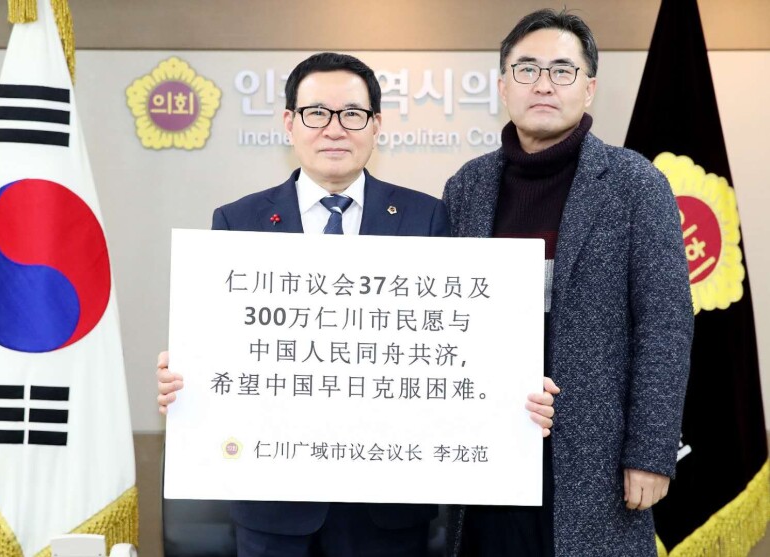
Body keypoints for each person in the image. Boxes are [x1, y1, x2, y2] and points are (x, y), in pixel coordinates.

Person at [157, 52, 560, 557]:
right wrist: (185, 377)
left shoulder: (426, 218)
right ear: (289, 123)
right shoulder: (238, 222)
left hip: (387, 506)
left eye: (351, 114)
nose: (334, 129)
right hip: (273, 502)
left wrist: (512, 388)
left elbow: (461, 342)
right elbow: (224, 347)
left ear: (376, 126)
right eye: (316, 113)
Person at [443, 9, 694, 557]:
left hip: (597, 458)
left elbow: (666, 326)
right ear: (503, 86)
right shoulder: (467, 186)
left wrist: (650, 452)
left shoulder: (635, 183)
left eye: (562, 70)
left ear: (589, 88)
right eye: (527, 69)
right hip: (490, 448)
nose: (543, 84)